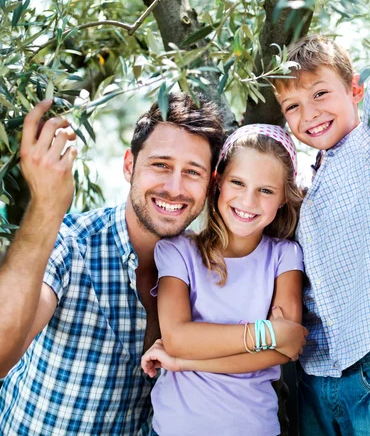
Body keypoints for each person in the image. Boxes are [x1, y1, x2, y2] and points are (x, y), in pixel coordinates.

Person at [0, 93, 225, 435]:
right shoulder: (70, 243)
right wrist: (46, 206)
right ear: (129, 165)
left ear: (210, 185)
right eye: (161, 165)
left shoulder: (206, 270)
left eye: (192, 172)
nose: (174, 187)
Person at [270, 0, 370, 434]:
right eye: (292, 106)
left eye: (320, 94)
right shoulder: (305, 181)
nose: (309, 113)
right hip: (316, 370)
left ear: (355, 90)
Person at [139, 124, 307, 436]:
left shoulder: (285, 256)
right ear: (218, 183)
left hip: (253, 427)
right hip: (177, 428)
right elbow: (177, 337)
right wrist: (265, 332)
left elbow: (286, 348)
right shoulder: (178, 252)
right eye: (238, 183)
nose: (248, 201)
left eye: (266, 190)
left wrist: (182, 362)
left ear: (284, 197)